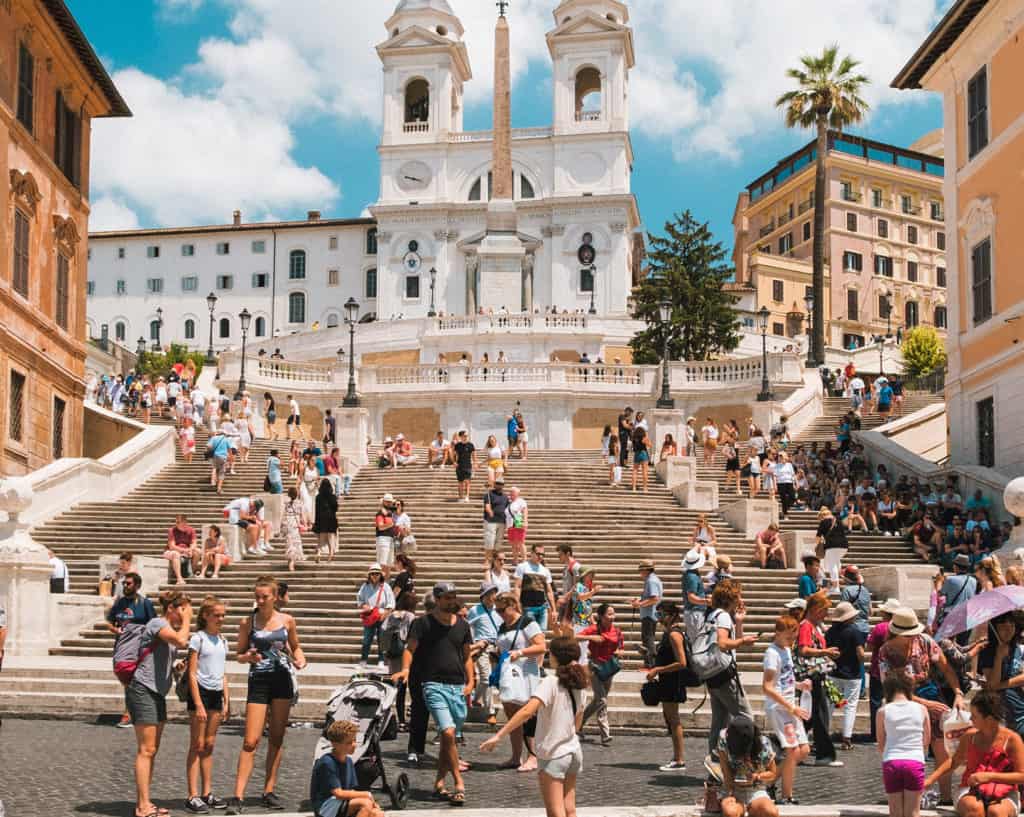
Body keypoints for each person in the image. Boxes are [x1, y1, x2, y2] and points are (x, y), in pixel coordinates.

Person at [481, 636, 587, 817]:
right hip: (574, 752)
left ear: (554, 656)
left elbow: (525, 712)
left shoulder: (550, 682)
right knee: (569, 809)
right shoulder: (580, 685)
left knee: (555, 812)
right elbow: (577, 724)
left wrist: (499, 735)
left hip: (553, 754)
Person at [226, 577, 307, 814]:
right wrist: (248, 658)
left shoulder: (287, 620)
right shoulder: (247, 622)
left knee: (277, 737)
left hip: (282, 680)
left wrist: (301, 658)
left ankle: (268, 791)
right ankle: (238, 796)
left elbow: (296, 646)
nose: (260, 601)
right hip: (259, 681)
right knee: (250, 741)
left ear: (275, 597)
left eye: (265, 597)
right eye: (257, 596)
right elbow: (238, 654)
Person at [392, 582, 474, 806]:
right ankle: (459, 783)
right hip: (432, 685)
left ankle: (439, 783)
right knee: (447, 734)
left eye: (453, 597)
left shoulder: (464, 626)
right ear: (437, 599)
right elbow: (410, 649)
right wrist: (406, 669)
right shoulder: (422, 623)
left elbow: (467, 657)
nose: (451, 601)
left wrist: (472, 680)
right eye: (447, 597)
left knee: (451, 740)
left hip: (457, 686)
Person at [879, 607, 966, 805]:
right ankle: (910, 794)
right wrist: (925, 704)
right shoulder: (886, 651)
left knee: (940, 746)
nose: (911, 637)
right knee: (911, 748)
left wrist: (958, 693)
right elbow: (890, 688)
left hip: (929, 692)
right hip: (902, 700)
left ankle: (945, 796)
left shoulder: (925, 641)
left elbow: (946, 667)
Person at [128, 591, 193, 817]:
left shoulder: (167, 630)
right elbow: (182, 640)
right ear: (172, 608)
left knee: (152, 750)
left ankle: (145, 801)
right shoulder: (157, 623)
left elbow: (168, 653)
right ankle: (142, 807)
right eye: (183, 609)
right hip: (143, 689)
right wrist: (187, 620)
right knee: (146, 749)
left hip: (157, 692)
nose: (185, 614)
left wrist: (176, 669)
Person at [923, 690, 1024, 817]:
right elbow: (954, 761)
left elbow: (1022, 776)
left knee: (996, 812)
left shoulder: (1013, 739)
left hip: (1005, 792)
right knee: (975, 809)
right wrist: (930, 780)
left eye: (974, 716)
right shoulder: (970, 736)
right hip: (969, 789)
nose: (970, 719)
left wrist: (989, 777)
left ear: (989, 719)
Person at [185, 596, 231, 813]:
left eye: (223, 615)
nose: (221, 618)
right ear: (205, 616)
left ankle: (207, 792)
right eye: (217, 615)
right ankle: (192, 794)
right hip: (200, 693)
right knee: (197, 744)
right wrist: (198, 703)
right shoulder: (198, 639)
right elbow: (192, 673)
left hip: (216, 693)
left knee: (210, 745)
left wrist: (226, 699)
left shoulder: (223, 640)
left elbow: (223, 673)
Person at [493, 592, 547, 771]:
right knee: (511, 715)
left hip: (526, 674)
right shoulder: (502, 626)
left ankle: (533, 756)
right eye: (497, 610)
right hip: (508, 675)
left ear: (511, 606)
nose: (499, 613)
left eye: (501, 610)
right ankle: (516, 756)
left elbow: (541, 646)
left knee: (528, 715)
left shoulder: (527, 623)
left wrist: (521, 653)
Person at [761, 615, 811, 805]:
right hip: (780, 709)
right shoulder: (772, 654)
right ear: (777, 633)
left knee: (803, 750)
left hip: (791, 706)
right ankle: (787, 796)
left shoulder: (786, 650)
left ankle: (770, 781)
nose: (792, 642)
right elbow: (767, 687)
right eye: (789, 638)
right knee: (791, 751)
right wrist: (791, 707)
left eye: (794, 638)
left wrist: (799, 686)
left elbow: (784, 680)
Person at [704, 580, 758, 756]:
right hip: (726, 677)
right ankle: (747, 761)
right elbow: (723, 643)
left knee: (719, 723)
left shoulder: (713, 615)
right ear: (732, 597)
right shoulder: (724, 617)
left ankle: (716, 765)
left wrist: (740, 622)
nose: (741, 598)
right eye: (739, 594)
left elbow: (732, 644)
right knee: (747, 718)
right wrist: (743, 640)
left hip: (713, 675)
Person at [107, 572, 159, 728]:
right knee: (126, 680)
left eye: (128, 584)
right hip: (122, 647)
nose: (125, 586)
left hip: (139, 650)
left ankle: (129, 713)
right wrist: (115, 630)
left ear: (137, 586)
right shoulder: (120, 603)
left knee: (132, 681)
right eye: (124, 583)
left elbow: (154, 625)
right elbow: (110, 622)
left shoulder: (145, 604)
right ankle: (133, 711)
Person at [797, 592, 842, 767]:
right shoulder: (806, 626)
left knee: (811, 716)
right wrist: (826, 652)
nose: (826, 615)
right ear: (816, 610)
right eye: (825, 611)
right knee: (820, 714)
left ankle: (786, 747)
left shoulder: (813, 626)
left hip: (817, 676)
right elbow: (803, 650)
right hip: (811, 676)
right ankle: (824, 754)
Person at [877, 670, 930, 817]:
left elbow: (881, 743)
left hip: (892, 761)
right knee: (913, 812)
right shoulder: (922, 709)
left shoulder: (882, 711)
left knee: (895, 813)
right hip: (914, 761)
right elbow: (926, 740)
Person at [310, 720, 384, 817]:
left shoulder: (348, 761)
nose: (354, 745)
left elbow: (351, 790)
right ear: (335, 744)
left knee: (377, 813)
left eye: (354, 740)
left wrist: (371, 802)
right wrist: (366, 794)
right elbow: (338, 793)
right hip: (325, 806)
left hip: (339, 803)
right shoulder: (327, 762)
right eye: (349, 742)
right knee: (364, 804)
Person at [715, 715, 779, 817]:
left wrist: (757, 776)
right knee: (730, 813)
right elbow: (726, 771)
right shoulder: (724, 738)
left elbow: (773, 773)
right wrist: (730, 793)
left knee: (771, 813)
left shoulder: (763, 744)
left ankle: (751, 808)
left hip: (756, 791)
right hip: (734, 789)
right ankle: (743, 808)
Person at [577, 603, 623, 746]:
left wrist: (619, 652)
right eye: (609, 614)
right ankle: (605, 734)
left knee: (598, 700)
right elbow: (575, 636)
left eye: (613, 614)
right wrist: (591, 638)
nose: (612, 617)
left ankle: (577, 725)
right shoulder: (594, 629)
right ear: (601, 617)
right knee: (602, 700)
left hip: (609, 668)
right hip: (595, 667)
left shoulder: (617, 631)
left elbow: (621, 647)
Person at [825, 601, 866, 750]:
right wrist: (862, 660)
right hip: (852, 675)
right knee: (850, 706)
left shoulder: (830, 631)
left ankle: (824, 736)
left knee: (830, 705)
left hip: (834, 673)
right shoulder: (854, 631)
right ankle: (846, 739)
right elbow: (860, 653)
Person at [978, 613, 1024, 738]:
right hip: (1000, 713)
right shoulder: (987, 652)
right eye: (1003, 627)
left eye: (1011, 626)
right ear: (995, 629)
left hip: (1021, 710)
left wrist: (1000, 685)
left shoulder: (1019, 649)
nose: (1008, 631)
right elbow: (992, 683)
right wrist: (998, 657)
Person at [868, 599, 904, 743]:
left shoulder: (879, 627)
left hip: (878, 669)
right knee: (894, 700)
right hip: (896, 669)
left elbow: (870, 647)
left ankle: (876, 733)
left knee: (876, 701)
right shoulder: (900, 628)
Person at [467, 583, 502, 726]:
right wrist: (473, 645)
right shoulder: (475, 610)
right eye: (490, 593)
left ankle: (476, 698)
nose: (493, 596)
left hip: (497, 646)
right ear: (484, 596)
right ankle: (490, 712)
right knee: (486, 678)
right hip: (482, 646)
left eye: (494, 593)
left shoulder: (498, 609)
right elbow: (468, 628)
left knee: (492, 679)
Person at [383, 593, 418, 731]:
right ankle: (411, 716)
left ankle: (400, 720)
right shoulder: (411, 617)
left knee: (398, 689)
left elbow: (383, 630)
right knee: (413, 687)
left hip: (393, 654)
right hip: (407, 653)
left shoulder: (391, 615)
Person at [358, 564, 395, 666]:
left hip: (382, 615)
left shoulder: (386, 586)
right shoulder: (365, 586)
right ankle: (363, 659)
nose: (375, 576)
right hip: (369, 615)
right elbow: (360, 599)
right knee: (367, 639)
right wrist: (364, 605)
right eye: (373, 574)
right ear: (369, 575)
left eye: (377, 574)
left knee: (381, 639)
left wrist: (386, 613)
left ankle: (381, 660)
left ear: (380, 575)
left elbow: (391, 602)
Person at [514, 544, 557, 632]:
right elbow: (517, 587)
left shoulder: (545, 570)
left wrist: (554, 610)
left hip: (543, 608)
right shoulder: (522, 567)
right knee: (531, 634)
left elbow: (549, 591)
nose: (540, 556)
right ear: (531, 553)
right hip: (528, 607)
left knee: (542, 634)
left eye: (542, 554)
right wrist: (517, 604)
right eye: (538, 554)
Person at [631, 559, 662, 669]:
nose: (640, 573)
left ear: (646, 570)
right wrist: (639, 601)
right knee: (649, 638)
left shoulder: (651, 581)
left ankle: (650, 664)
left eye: (641, 570)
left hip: (649, 614)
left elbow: (654, 598)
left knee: (648, 639)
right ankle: (650, 663)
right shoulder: (653, 579)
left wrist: (639, 604)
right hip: (650, 613)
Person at [816, 507, 848, 593]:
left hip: (832, 546)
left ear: (822, 516)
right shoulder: (838, 521)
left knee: (832, 565)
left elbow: (818, 537)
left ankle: (836, 587)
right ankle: (837, 582)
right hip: (844, 546)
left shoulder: (823, 522)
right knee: (837, 562)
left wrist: (819, 543)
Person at [681, 548, 708, 644]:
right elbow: (691, 597)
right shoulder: (692, 577)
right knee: (696, 642)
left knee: (696, 640)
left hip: (694, 612)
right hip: (695, 613)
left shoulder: (691, 574)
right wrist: (707, 601)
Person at [165, 515, 199, 585]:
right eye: (176, 522)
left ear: (185, 522)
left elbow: (194, 543)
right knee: (175, 554)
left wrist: (190, 550)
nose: (176, 523)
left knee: (198, 552)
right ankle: (179, 578)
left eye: (178, 522)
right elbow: (172, 546)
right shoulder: (172, 530)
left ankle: (190, 572)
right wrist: (184, 551)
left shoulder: (191, 530)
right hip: (171, 551)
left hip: (186, 550)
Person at [282, 487, 308, 572]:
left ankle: (290, 561)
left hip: (287, 523)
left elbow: (283, 515)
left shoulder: (287, 504)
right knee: (294, 543)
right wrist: (305, 525)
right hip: (294, 524)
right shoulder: (300, 503)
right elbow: (303, 516)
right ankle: (291, 564)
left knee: (289, 543)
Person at [313, 480, 338, 564]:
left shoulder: (318, 497)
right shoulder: (333, 497)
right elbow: (335, 508)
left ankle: (319, 553)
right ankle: (330, 555)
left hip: (321, 519)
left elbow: (316, 510)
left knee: (321, 539)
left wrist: (316, 522)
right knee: (331, 538)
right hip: (331, 519)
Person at [483, 478, 510, 555]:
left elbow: (507, 508)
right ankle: (487, 560)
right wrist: (490, 511)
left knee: (498, 542)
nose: (499, 485)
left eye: (501, 484)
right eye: (498, 483)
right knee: (490, 541)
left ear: (503, 485)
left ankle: (494, 560)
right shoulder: (489, 494)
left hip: (502, 521)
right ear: (494, 484)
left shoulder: (505, 497)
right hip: (491, 521)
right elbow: (487, 506)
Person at [374, 495, 396, 580]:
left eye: (390, 502)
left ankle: (385, 583)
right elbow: (380, 527)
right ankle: (380, 583)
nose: (390, 503)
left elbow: (397, 505)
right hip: (383, 539)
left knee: (389, 563)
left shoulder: (390, 513)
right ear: (383, 502)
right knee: (382, 563)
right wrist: (391, 524)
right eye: (387, 501)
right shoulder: (380, 513)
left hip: (390, 539)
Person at [506, 486, 529, 564]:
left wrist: (525, 521)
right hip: (510, 525)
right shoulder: (509, 503)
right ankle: (515, 560)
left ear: (517, 493)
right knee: (513, 544)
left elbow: (525, 510)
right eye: (510, 492)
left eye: (513, 492)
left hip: (518, 522)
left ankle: (524, 560)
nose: (511, 493)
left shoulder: (520, 501)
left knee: (520, 542)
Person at [453, 430, 476, 502]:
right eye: (464, 436)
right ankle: (460, 497)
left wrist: (475, 463)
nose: (466, 437)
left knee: (467, 482)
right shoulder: (457, 445)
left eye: (467, 436)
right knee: (460, 482)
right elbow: (455, 454)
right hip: (459, 466)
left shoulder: (471, 445)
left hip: (468, 466)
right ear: (461, 437)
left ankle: (467, 496)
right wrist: (454, 462)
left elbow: (474, 455)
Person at [631, 423, 651, 492]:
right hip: (643, 453)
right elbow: (649, 445)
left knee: (635, 471)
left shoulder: (634, 438)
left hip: (636, 453)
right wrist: (647, 436)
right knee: (644, 471)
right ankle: (645, 488)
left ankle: (634, 487)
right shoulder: (643, 437)